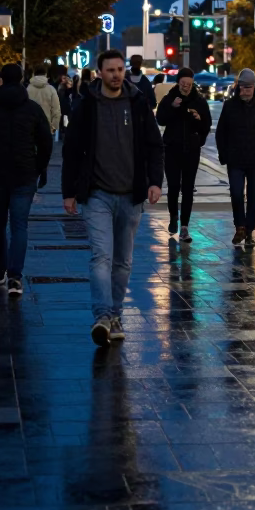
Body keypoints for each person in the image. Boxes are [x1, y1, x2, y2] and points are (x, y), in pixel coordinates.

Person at [62, 48, 164, 346]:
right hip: (97, 195)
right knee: (101, 256)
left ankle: (116, 314)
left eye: (120, 69)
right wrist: (69, 192)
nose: (116, 75)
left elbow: (154, 145)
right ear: (100, 73)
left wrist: (155, 182)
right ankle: (103, 315)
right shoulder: (86, 106)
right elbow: (71, 151)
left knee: (123, 261)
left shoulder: (138, 103)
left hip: (130, 195)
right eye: (111, 70)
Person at [0, 62, 53, 295]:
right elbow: (45, 142)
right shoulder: (32, 109)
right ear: (22, 80)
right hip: (24, 174)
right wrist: (40, 168)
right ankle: (15, 277)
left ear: (1, 80)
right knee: (19, 226)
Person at [215, 68, 255, 247]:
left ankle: (249, 230)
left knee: (253, 195)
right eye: (242, 87)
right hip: (235, 159)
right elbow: (221, 132)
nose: (244, 91)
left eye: (248, 87)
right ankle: (239, 226)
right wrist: (224, 154)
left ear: (254, 88)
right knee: (236, 193)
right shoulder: (230, 106)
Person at [156, 67, 211, 241]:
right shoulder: (169, 98)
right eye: (183, 83)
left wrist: (198, 121)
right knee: (173, 186)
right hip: (172, 148)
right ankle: (173, 217)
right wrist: (173, 107)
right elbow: (160, 119)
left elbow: (206, 125)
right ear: (178, 82)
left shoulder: (199, 101)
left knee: (188, 189)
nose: (186, 86)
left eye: (189, 83)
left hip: (191, 150)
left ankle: (185, 226)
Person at [27, 64, 62, 136]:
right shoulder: (51, 89)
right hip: (46, 127)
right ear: (45, 74)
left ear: (34, 73)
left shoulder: (28, 89)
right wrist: (53, 128)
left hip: (31, 127)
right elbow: (56, 110)